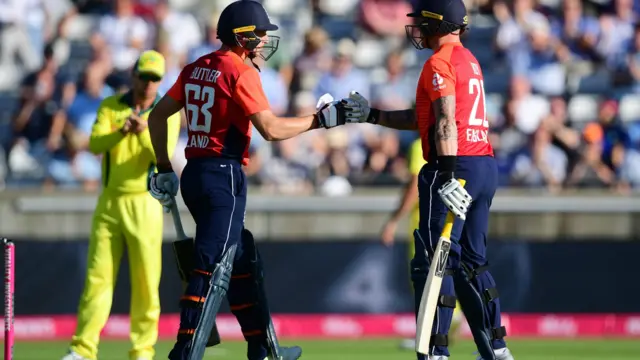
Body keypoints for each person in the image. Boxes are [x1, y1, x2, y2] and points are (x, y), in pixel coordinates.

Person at [144, 1, 353, 360]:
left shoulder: (198, 66)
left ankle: (264, 347)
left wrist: (164, 166)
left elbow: (158, 116)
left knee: (243, 260)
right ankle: (185, 352)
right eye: (259, 35)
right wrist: (321, 120)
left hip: (196, 174)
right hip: (223, 176)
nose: (263, 42)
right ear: (243, 38)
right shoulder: (240, 71)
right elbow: (271, 129)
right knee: (213, 267)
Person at [342, 1, 515, 359]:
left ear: (438, 22)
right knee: (473, 262)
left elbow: (446, 122)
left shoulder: (439, 62)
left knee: (436, 262)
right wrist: (372, 115)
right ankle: (498, 347)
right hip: (483, 164)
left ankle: (436, 351)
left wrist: (449, 175)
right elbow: (426, 117)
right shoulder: (468, 58)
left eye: (422, 20)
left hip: (456, 165)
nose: (417, 26)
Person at [62, 50, 182, 360]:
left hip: (145, 203)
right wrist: (121, 130)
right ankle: (82, 349)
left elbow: (163, 156)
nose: (148, 84)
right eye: (144, 76)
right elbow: (95, 144)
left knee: (146, 282)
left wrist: (143, 133)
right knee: (97, 280)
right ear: (134, 75)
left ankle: (142, 351)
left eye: (155, 79)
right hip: (110, 201)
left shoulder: (166, 113)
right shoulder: (110, 106)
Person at [380, 138, 464, 352]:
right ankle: (442, 328)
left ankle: (435, 328)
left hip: (425, 221)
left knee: (426, 277)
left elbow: (414, 186)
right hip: (450, 219)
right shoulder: (454, 140)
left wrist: (393, 220)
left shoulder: (421, 144)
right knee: (444, 271)